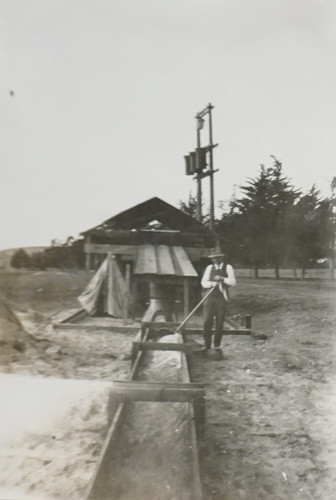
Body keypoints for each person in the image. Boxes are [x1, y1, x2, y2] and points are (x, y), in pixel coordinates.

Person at [201, 245, 236, 352]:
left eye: (217, 257)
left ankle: (217, 345)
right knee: (207, 321)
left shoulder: (228, 267)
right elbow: (203, 283)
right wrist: (212, 283)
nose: (215, 260)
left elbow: (233, 283)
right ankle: (206, 345)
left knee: (219, 322)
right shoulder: (209, 268)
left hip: (221, 298)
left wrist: (222, 279)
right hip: (209, 298)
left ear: (222, 258)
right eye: (213, 258)